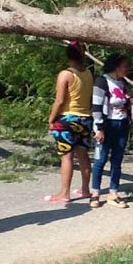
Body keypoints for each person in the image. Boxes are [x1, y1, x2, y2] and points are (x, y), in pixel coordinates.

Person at [45, 42, 94, 203]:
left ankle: (64, 193)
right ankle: (86, 189)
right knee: (83, 155)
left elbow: (59, 100)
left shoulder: (65, 74)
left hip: (67, 118)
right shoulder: (87, 73)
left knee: (66, 157)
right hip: (85, 118)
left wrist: (51, 119)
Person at [90, 53, 132, 209]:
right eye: (124, 66)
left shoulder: (122, 82)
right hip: (106, 125)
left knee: (117, 160)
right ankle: (95, 193)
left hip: (121, 125)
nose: (126, 69)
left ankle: (113, 192)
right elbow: (96, 106)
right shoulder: (102, 82)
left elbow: (126, 102)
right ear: (116, 66)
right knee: (100, 159)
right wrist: (99, 128)